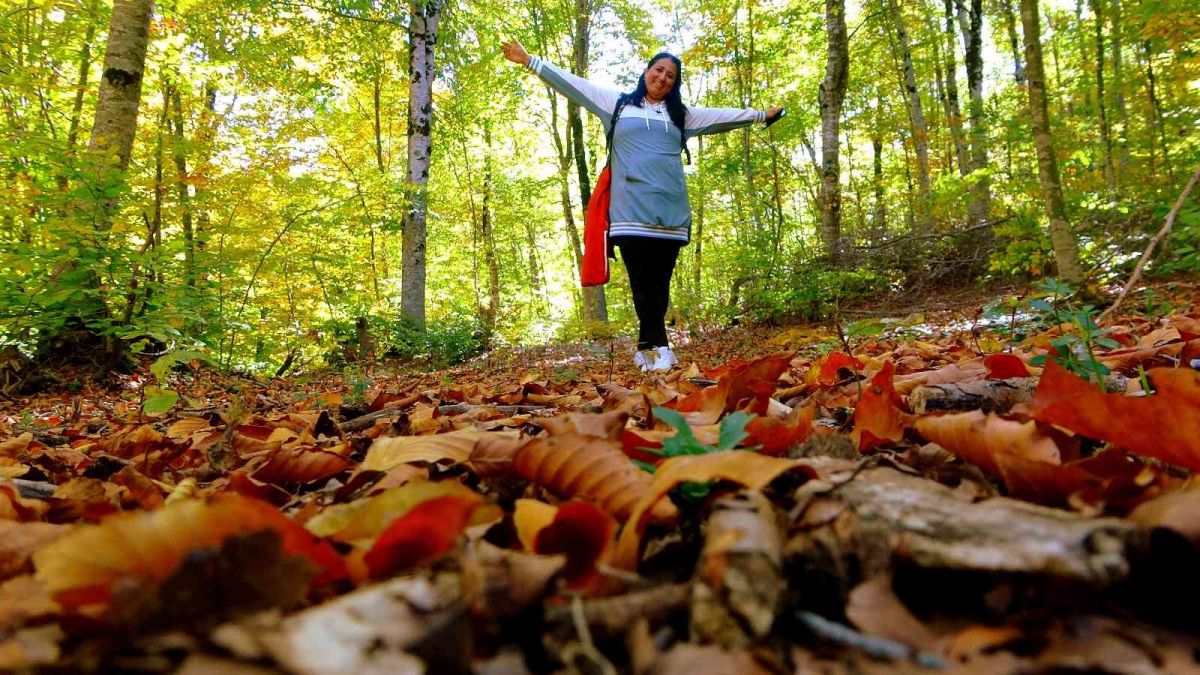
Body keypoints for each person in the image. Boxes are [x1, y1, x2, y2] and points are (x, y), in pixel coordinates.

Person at [502, 41, 782, 372]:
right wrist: (530, 62)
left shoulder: (682, 116)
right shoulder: (617, 106)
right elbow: (574, 85)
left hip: (672, 213)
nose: (663, 78)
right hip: (629, 213)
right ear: (646, 72)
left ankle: (644, 347)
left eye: (671, 76)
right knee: (641, 281)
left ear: (674, 84)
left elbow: (723, 116)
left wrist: (760, 116)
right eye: (658, 70)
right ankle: (662, 348)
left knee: (660, 285)